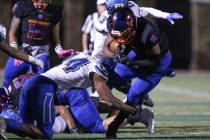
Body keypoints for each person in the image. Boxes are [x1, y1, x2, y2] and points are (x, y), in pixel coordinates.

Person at [0, 52, 140, 139]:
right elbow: (109, 99)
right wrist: (133, 110)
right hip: (46, 87)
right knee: (46, 134)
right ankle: (5, 123)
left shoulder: (83, 55)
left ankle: (7, 124)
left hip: (36, 84)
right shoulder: (97, 71)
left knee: (27, 129)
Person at [104, 6, 174, 138]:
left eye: (125, 35)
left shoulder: (147, 33)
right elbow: (105, 49)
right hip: (135, 53)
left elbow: (155, 61)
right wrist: (116, 55)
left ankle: (115, 124)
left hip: (156, 62)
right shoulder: (114, 25)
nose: (121, 39)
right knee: (108, 80)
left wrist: (133, 64)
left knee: (134, 94)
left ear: (133, 26)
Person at [3, 0, 72, 88]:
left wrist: (59, 50)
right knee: (7, 80)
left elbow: (55, 38)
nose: (39, 5)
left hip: (41, 52)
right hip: (22, 50)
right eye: (37, 1)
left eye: (43, 2)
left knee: (42, 83)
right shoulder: (23, 6)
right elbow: (12, 32)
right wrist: (15, 51)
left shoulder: (54, 11)